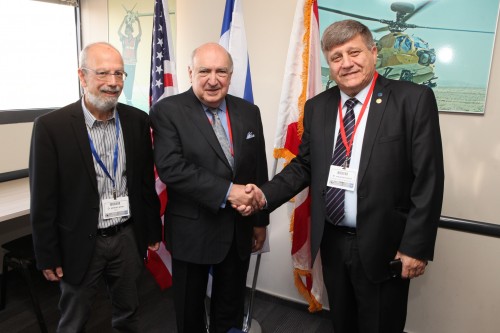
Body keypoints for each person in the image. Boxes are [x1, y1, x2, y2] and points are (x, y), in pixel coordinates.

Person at [239, 20, 444, 332]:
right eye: (336, 57)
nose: (346, 63)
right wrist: (263, 196)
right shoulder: (318, 107)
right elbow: (303, 166)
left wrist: (415, 246)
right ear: (329, 64)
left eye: (354, 52)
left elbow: (428, 179)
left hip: (384, 242)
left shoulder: (412, 100)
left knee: (380, 325)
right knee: (342, 323)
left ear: (374, 53)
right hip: (332, 241)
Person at [29, 42, 162, 332]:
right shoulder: (52, 127)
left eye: (119, 74)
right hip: (79, 241)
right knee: (74, 320)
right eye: (103, 73)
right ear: (82, 75)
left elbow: (143, 183)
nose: (113, 83)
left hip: (126, 236)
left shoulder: (137, 121)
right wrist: (47, 254)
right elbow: (43, 199)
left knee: (129, 314)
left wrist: (152, 228)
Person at [149, 42, 269, 333]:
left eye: (221, 71)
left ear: (230, 74)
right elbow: (172, 168)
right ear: (191, 72)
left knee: (229, 310)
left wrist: (260, 221)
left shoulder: (248, 111)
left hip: (238, 231)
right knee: (190, 314)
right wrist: (229, 191)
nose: (213, 79)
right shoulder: (167, 111)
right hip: (193, 232)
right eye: (204, 71)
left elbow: (258, 167)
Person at [118, 14, 142, 105]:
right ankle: (127, 97)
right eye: (126, 30)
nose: (127, 31)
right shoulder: (124, 39)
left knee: (130, 81)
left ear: (131, 31)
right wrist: (124, 21)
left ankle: (129, 99)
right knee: (124, 80)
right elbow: (118, 32)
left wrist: (138, 21)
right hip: (124, 63)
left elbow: (140, 33)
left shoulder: (135, 40)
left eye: (128, 30)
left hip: (132, 63)